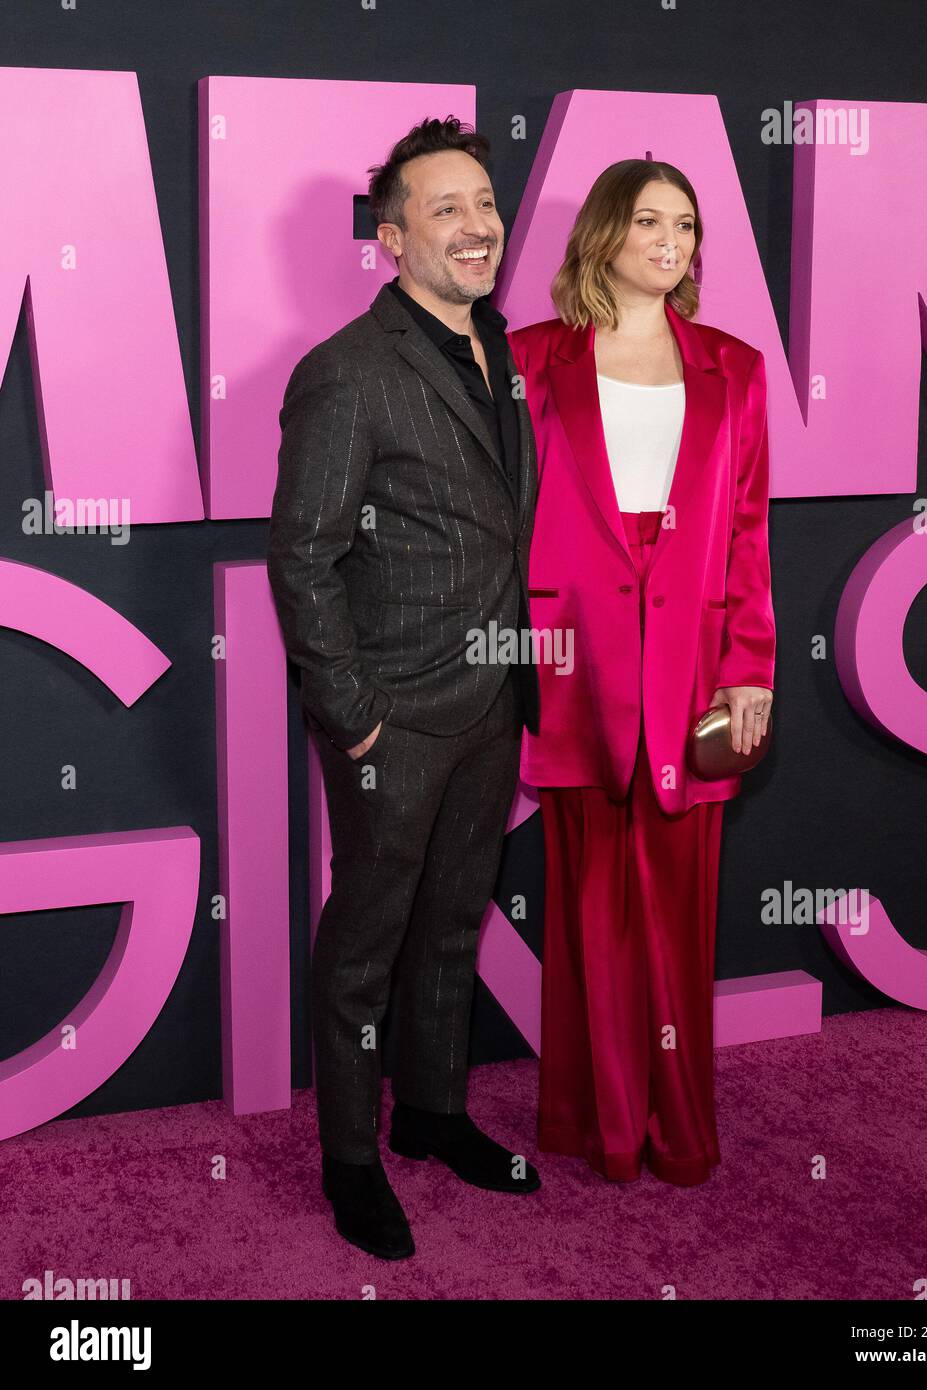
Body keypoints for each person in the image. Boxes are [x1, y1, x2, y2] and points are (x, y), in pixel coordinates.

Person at [267, 116, 542, 1261]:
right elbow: (304, 556)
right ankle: (349, 1159)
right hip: (393, 713)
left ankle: (432, 1115)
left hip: (490, 702)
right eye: (445, 209)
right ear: (391, 239)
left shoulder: (504, 348)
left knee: (450, 925)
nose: (476, 226)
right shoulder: (344, 370)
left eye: (483, 203)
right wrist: (356, 713)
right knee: (367, 944)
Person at [508, 159, 776, 1187]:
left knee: (678, 901)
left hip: (694, 669)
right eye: (650, 219)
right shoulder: (530, 359)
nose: (671, 239)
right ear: (604, 231)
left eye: (686, 224)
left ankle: (677, 1125)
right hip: (569, 659)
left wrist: (748, 668)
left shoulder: (733, 368)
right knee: (585, 903)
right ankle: (592, 1122)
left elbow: (744, 531)